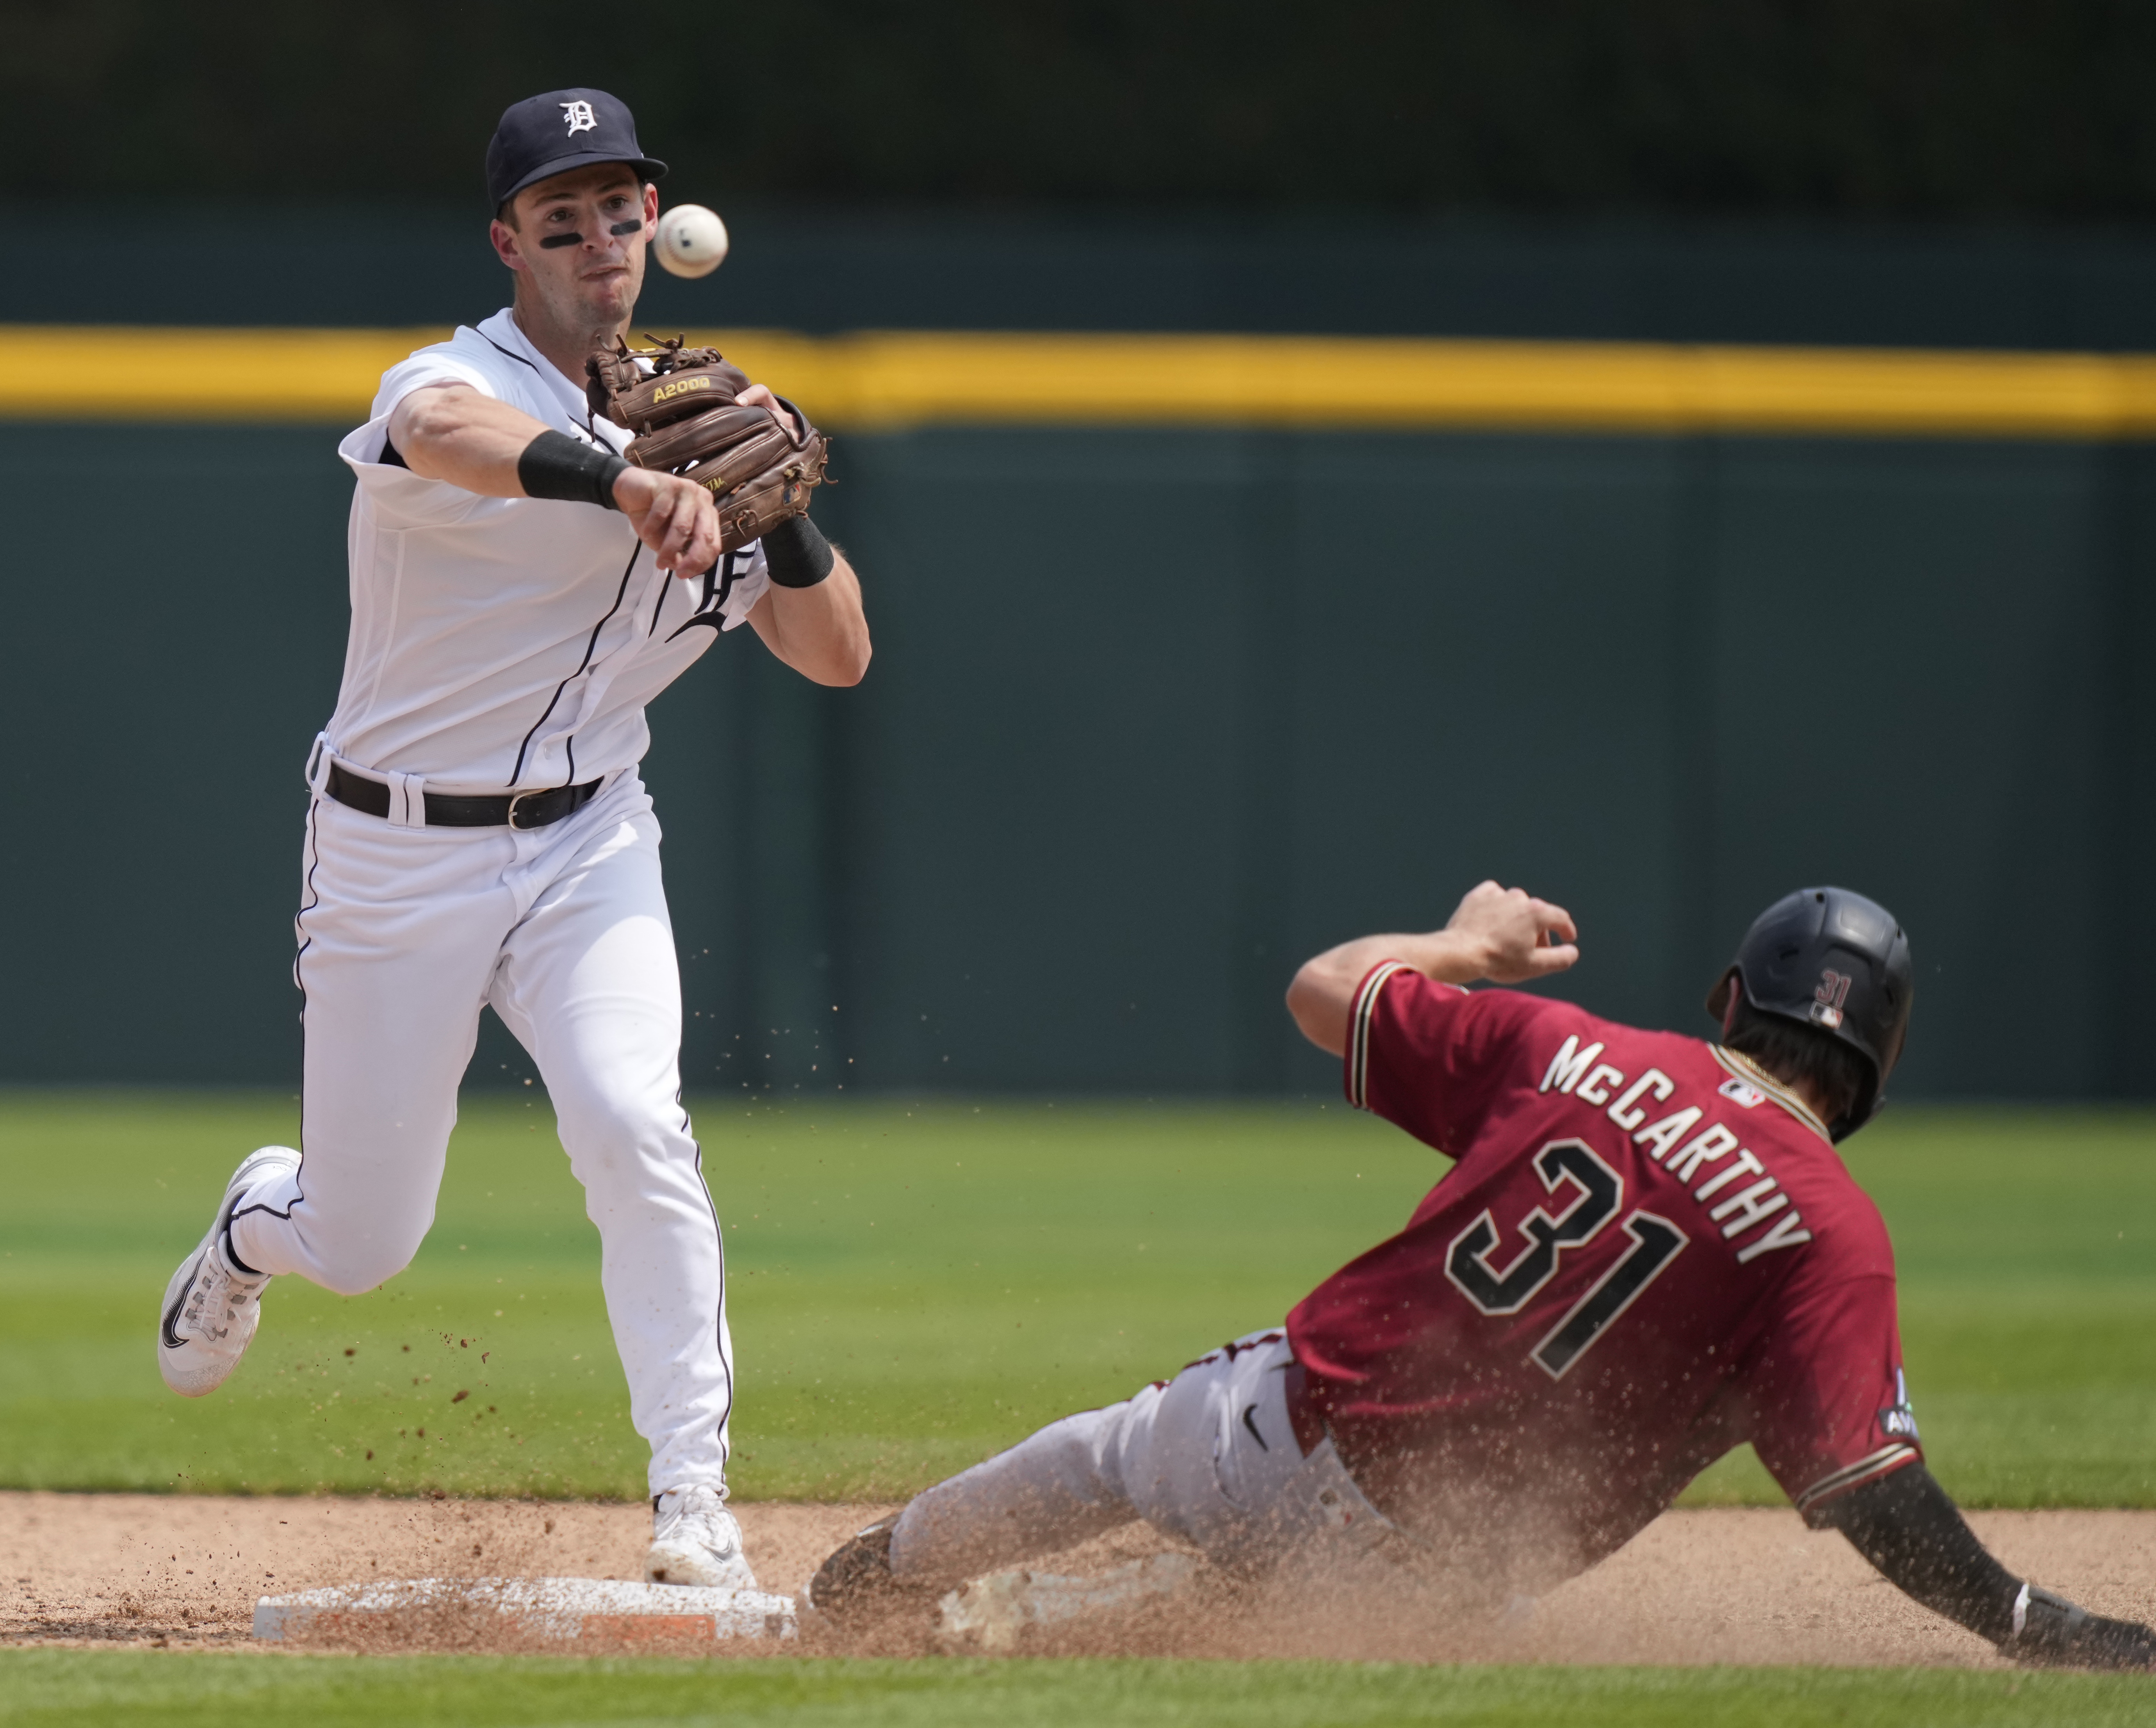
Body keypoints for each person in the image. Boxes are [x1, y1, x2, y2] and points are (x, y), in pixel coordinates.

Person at [156, 87, 870, 1591]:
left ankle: (694, 1500)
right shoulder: (454, 378)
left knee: (634, 1120)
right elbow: (445, 437)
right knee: (361, 1240)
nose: (603, 237)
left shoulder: (703, 418)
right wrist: (620, 478)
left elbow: (837, 653)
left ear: (652, 231)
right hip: (391, 852)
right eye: (565, 216)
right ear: (511, 242)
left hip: (588, 847)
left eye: (622, 210)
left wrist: (783, 502)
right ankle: (249, 1230)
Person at [805, 882, 2155, 1667]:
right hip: (1432, 1578)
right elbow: (1879, 1491)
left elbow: (1325, 987)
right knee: (1276, 1627)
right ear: (1878, 1071)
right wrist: (2024, 1618)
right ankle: (1045, 1624)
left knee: (1108, 1460)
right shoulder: (1828, 1232)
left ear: (1734, 999)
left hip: (1272, 1438)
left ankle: (874, 1574)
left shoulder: (1577, 1046)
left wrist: (1465, 943)